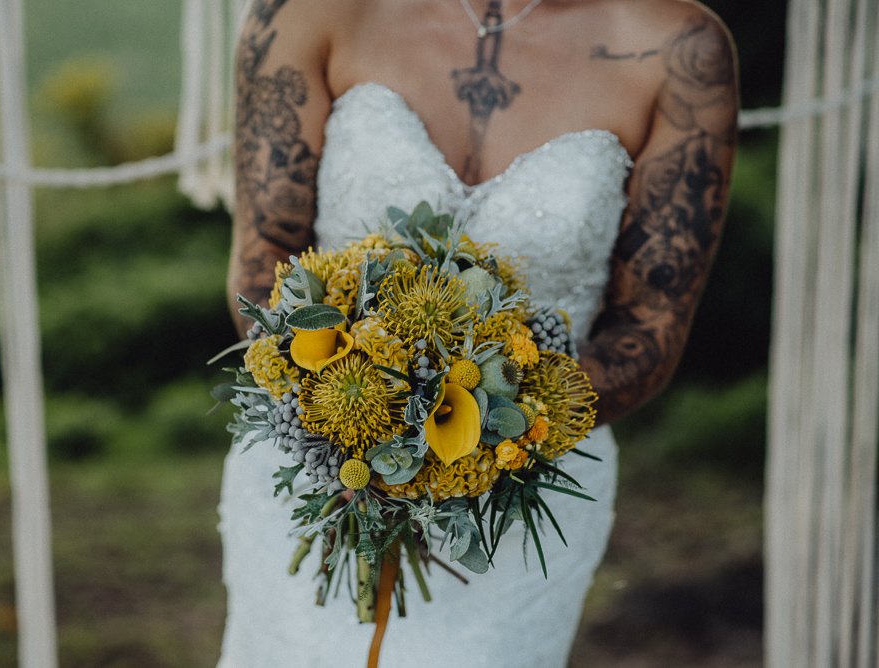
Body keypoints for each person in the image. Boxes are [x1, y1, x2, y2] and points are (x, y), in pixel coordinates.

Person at [220, 0, 737, 666]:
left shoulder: (680, 49)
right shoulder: (307, 11)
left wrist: (486, 438)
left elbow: (648, 330)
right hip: (317, 464)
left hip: (525, 494)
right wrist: (347, 419)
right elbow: (264, 259)